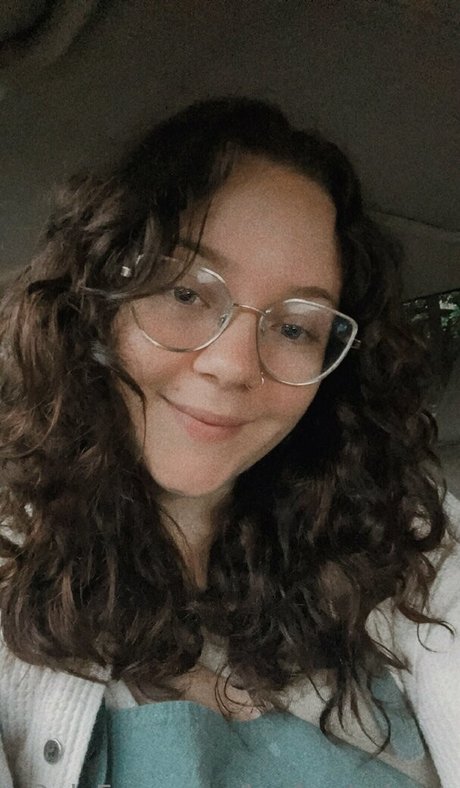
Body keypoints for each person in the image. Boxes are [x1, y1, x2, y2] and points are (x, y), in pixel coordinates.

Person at [0, 97, 458, 788]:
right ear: (98, 301)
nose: (235, 364)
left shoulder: (410, 542)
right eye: (186, 293)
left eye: (296, 327)